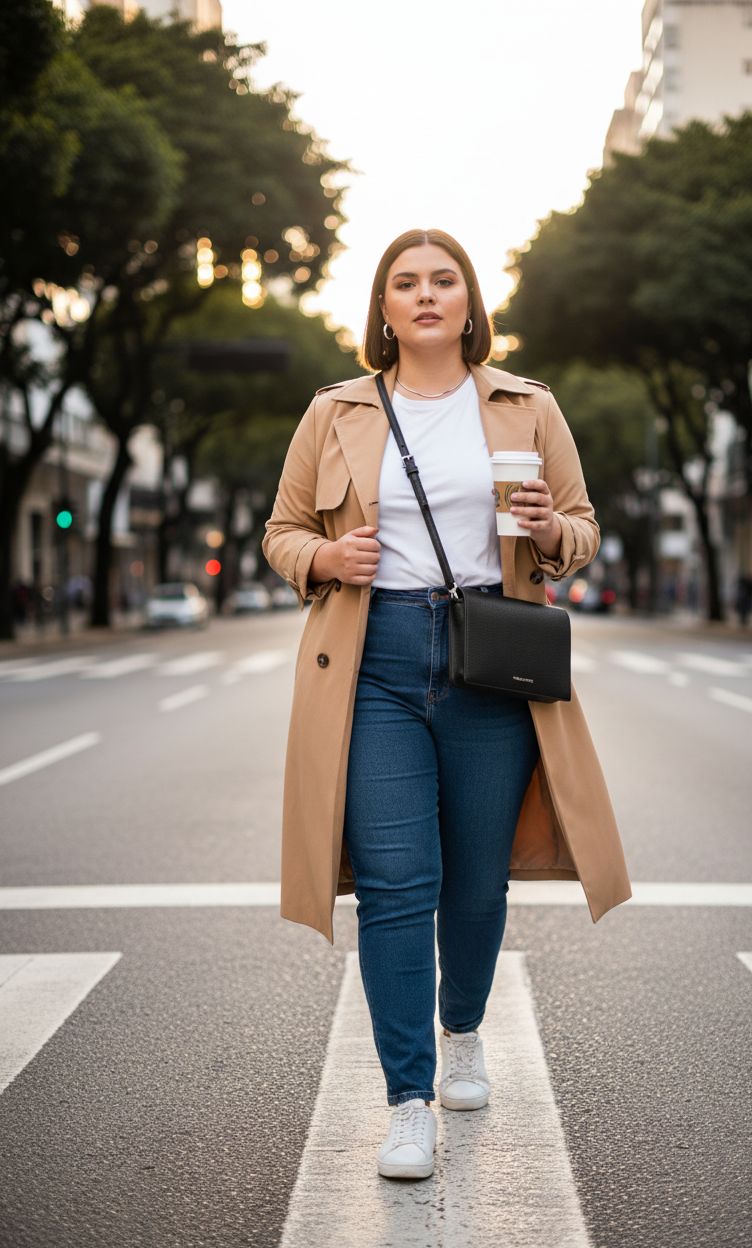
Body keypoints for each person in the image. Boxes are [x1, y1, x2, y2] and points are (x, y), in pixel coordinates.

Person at [261, 228, 631, 1181]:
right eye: (405, 283)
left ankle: (462, 1026)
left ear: (471, 302)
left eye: (444, 280)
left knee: (476, 879)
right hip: (374, 662)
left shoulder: (527, 405)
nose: (426, 295)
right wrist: (325, 559)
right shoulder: (335, 411)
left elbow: (585, 527)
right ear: (383, 310)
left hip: (492, 662)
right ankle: (407, 1099)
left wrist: (556, 532)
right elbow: (281, 531)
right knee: (395, 885)